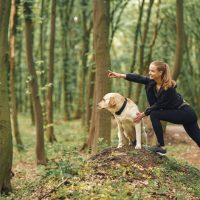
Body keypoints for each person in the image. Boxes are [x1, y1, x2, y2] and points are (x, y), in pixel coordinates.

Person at [108, 60, 200, 155]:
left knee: (155, 114)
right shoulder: (151, 82)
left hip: (185, 112)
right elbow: (138, 77)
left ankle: (161, 147)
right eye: (149, 70)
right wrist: (120, 75)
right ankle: (161, 147)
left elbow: (159, 105)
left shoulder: (169, 88)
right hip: (181, 113)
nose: (149, 73)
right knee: (198, 139)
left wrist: (143, 114)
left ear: (160, 72)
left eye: (152, 71)